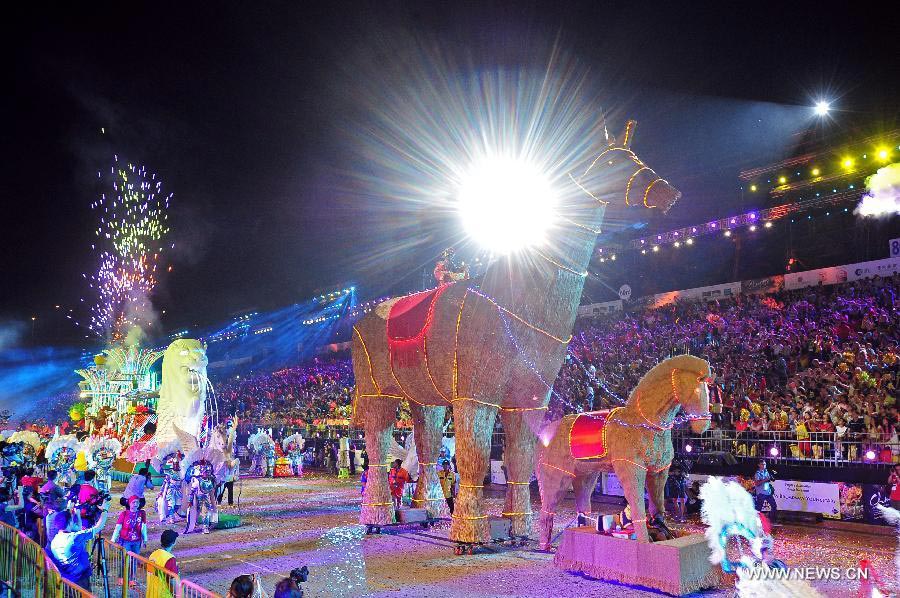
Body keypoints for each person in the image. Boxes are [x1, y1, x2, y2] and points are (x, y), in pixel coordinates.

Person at [49, 498, 111, 589]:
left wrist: (77, 514)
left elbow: (77, 528)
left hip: (66, 579)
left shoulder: (55, 540)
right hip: (80, 579)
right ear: (70, 523)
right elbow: (99, 527)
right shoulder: (74, 538)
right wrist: (105, 510)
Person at [148, 529, 180, 598]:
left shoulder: (153, 554)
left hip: (151, 593)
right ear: (173, 543)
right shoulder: (170, 559)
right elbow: (173, 582)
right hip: (163, 594)